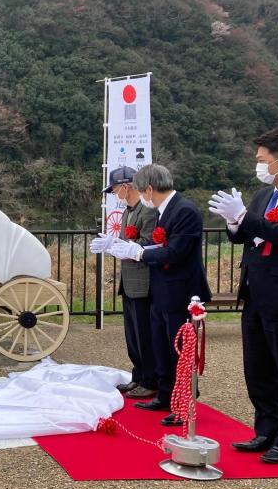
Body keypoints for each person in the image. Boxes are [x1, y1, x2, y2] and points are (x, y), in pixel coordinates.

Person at [209, 126, 278, 464]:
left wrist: (245, 217)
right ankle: (266, 428)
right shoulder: (264, 195)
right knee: (257, 368)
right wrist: (233, 222)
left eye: (262, 160)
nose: (258, 165)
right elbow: (245, 236)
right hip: (255, 292)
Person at [105, 164, 211, 425]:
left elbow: (175, 251)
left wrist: (140, 253)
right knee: (161, 346)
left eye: (142, 191)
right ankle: (165, 395)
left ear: (149, 189)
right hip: (161, 288)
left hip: (181, 290)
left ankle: (184, 402)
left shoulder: (184, 210)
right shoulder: (164, 210)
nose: (142, 196)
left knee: (179, 350)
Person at [90, 166, 158, 399]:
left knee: (144, 334)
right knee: (132, 334)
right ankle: (138, 375)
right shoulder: (128, 211)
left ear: (126, 187)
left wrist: (122, 247)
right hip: (129, 280)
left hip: (143, 280)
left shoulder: (147, 211)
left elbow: (149, 242)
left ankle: (150, 380)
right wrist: (112, 244)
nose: (113, 194)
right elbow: (124, 240)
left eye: (114, 189)